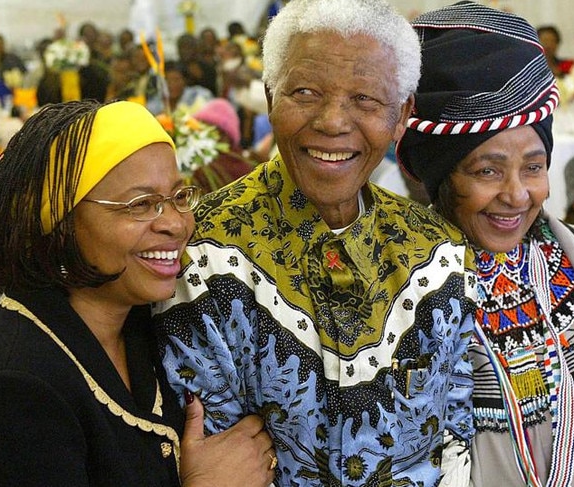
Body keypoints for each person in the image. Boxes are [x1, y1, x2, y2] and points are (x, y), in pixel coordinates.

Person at [155, 0, 477, 485]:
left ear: (402, 116)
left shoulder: (438, 254)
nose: (332, 121)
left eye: (366, 99)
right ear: (269, 97)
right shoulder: (204, 260)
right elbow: (214, 452)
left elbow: (455, 433)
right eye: (304, 92)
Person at [0, 99, 276, 486]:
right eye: (140, 205)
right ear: (63, 224)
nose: (175, 224)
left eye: (179, 197)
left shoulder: (149, 323)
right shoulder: (12, 385)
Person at [396, 3, 574, 486]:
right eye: (487, 170)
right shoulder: (404, 298)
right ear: (440, 177)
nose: (517, 194)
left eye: (534, 167)